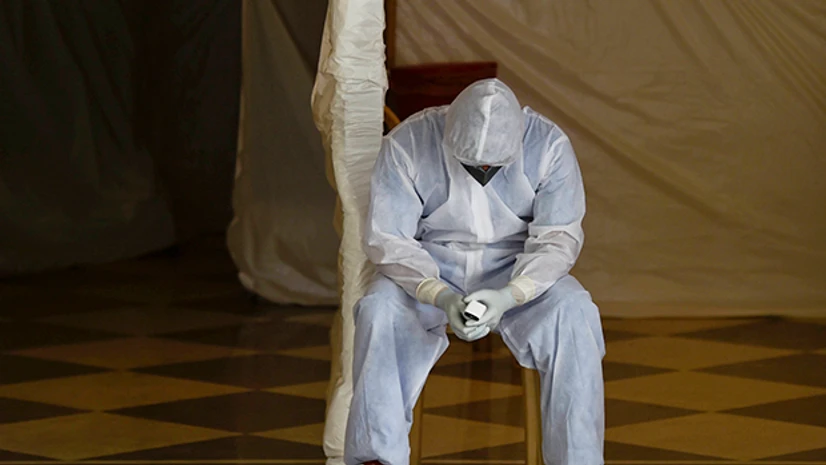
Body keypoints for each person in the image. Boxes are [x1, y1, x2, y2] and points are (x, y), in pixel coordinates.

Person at [345, 79, 605, 465]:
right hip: (428, 269)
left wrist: (512, 294)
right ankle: (377, 459)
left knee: (575, 312)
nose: (482, 172)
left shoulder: (549, 145)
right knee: (378, 310)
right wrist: (438, 293)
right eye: (472, 164)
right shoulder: (408, 143)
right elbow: (390, 238)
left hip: (515, 271)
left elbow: (557, 237)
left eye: (493, 167)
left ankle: (578, 460)